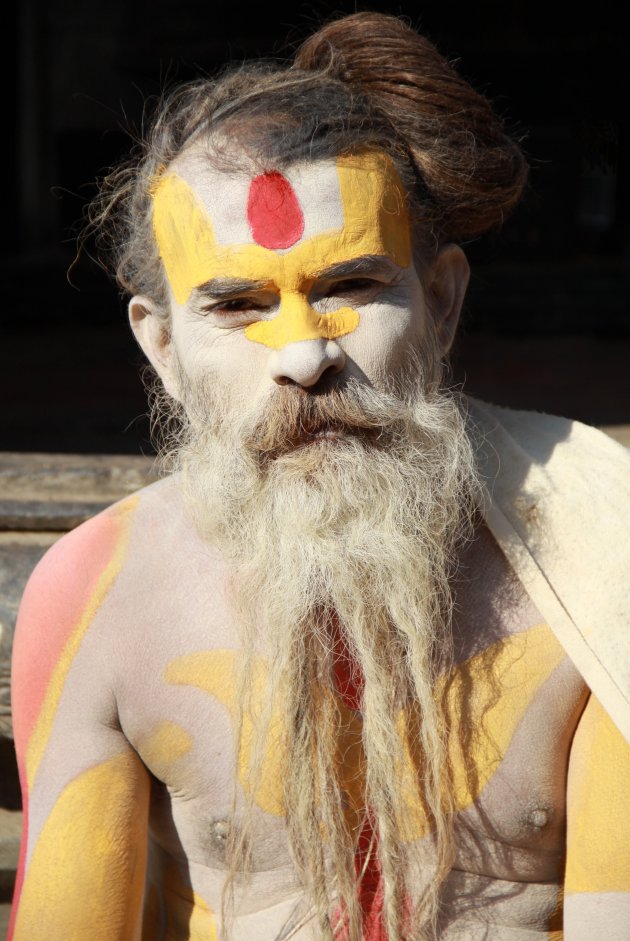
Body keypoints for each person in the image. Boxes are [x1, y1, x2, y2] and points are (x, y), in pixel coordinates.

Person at [9, 12, 630, 941]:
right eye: (239, 304)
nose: (304, 354)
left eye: (349, 286)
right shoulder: (102, 596)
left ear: (445, 301)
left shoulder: (599, 550)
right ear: (162, 344)